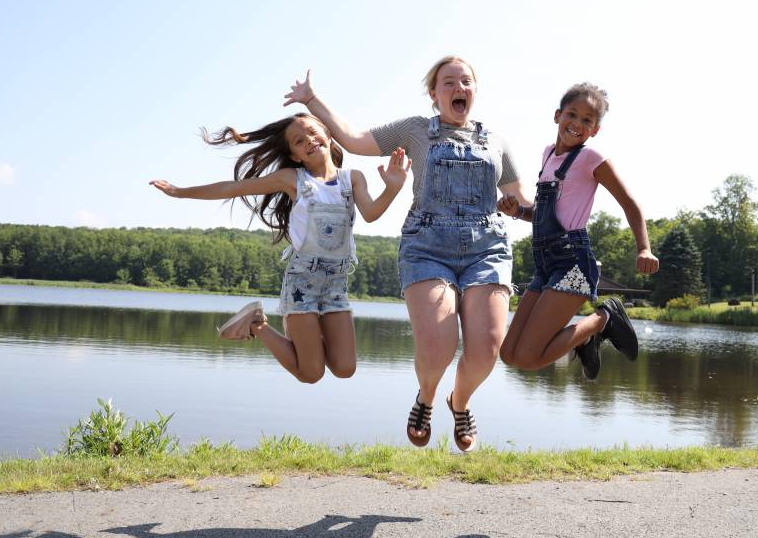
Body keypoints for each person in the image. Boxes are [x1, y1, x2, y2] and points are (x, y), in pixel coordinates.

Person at [283, 57, 532, 452]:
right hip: (427, 246)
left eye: (465, 81)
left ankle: (460, 401)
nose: (458, 87)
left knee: (486, 348)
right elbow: (352, 138)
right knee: (437, 348)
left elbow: (523, 202)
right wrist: (312, 100)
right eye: (448, 82)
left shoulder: (497, 142)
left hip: (488, 248)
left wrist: (536, 208)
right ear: (434, 95)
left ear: (474, 90)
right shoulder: (415, 130)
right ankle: (427, 397)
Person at [150, 113, 410, 384]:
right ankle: (257, 324)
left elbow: (370, 213)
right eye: (299, 141)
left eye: (312, 132)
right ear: (295, 156)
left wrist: (392, 188)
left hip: (336, 283)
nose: (308, 140)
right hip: (302, 282)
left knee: (345, 368)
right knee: (311, 373)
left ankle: (300, 334)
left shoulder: (353, 179)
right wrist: (180, 192)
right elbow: (233, 188)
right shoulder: (292, 179)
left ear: (329, 135)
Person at [497, 83, 660, 380]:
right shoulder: (548, 155)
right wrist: (518, 211)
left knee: (530, 357)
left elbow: (630, 203)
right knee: (509, 355)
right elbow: (546, 215)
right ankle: (585, 337)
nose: (577, 124)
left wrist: (643, 248)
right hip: (546, 265)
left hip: (574, 264)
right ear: (557, 115)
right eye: (572, 114)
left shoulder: (591, 158)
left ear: (595, 129)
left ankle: (604, 318)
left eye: (587, 120)